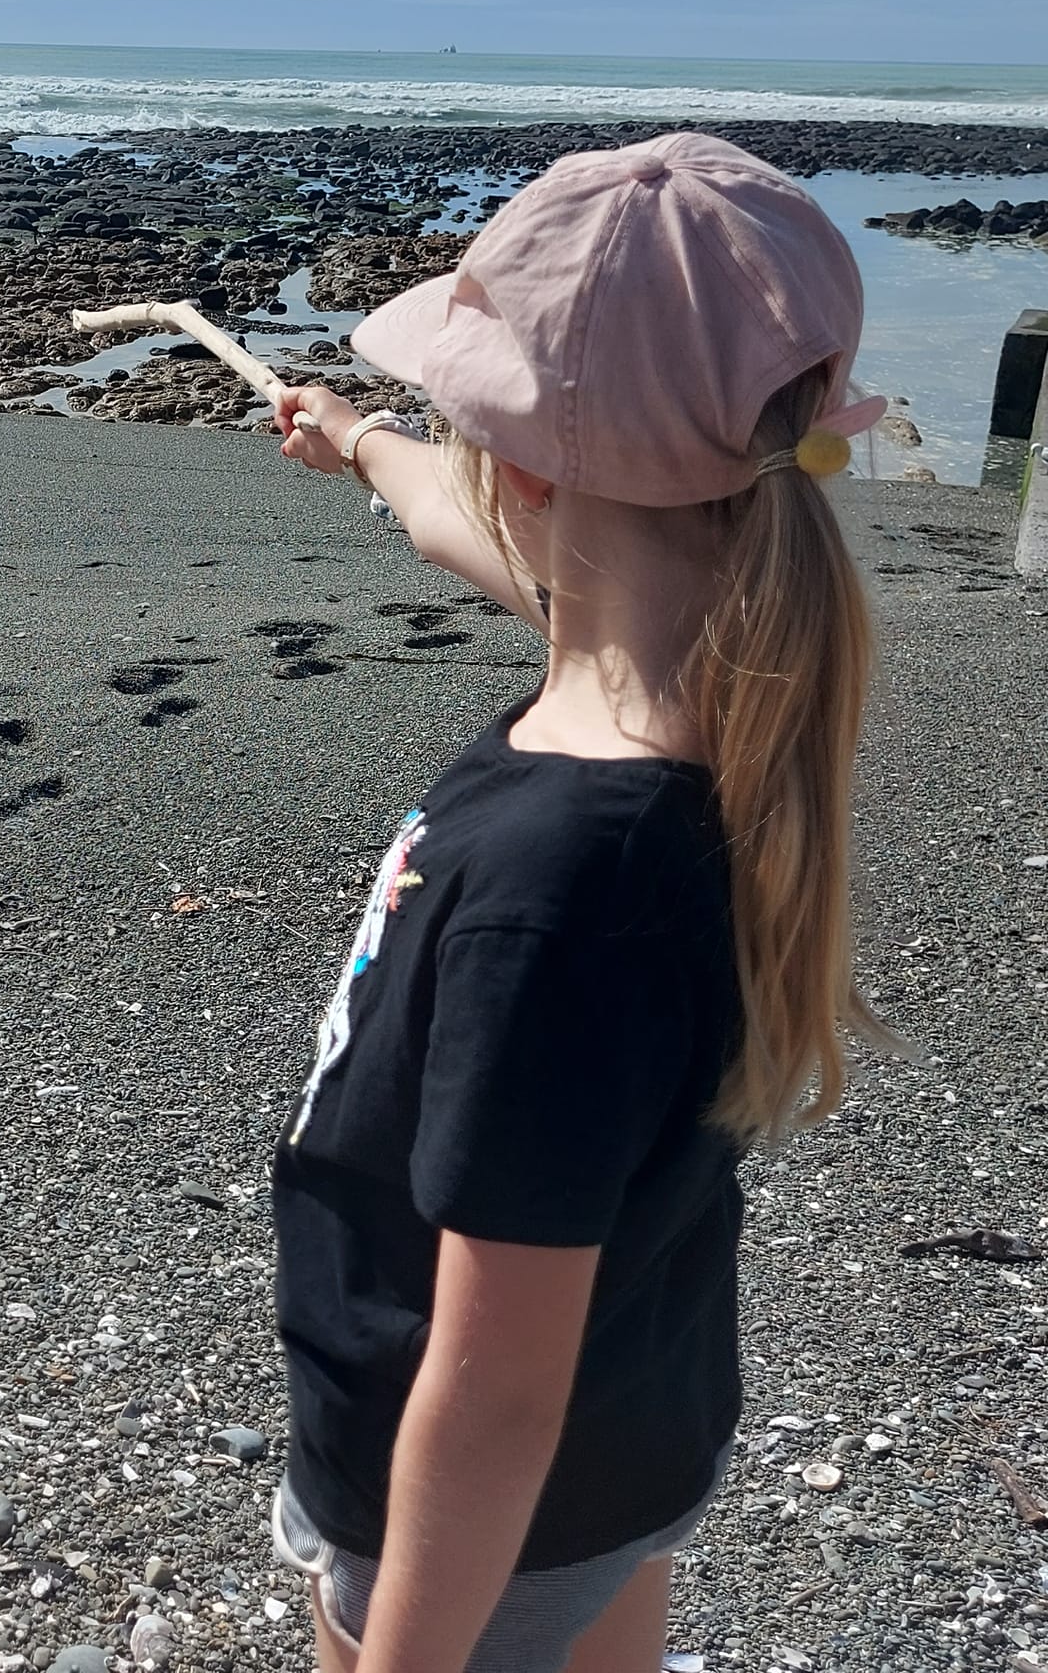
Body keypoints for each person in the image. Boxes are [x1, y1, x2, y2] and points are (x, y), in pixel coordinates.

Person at [266, 133, 891, 1673]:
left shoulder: (560, 883)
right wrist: (358, 442)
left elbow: (494, 1398)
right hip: (635, 1413)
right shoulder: (718, 676)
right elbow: (466, 518)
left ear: (531, 463)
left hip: (465, 1476)